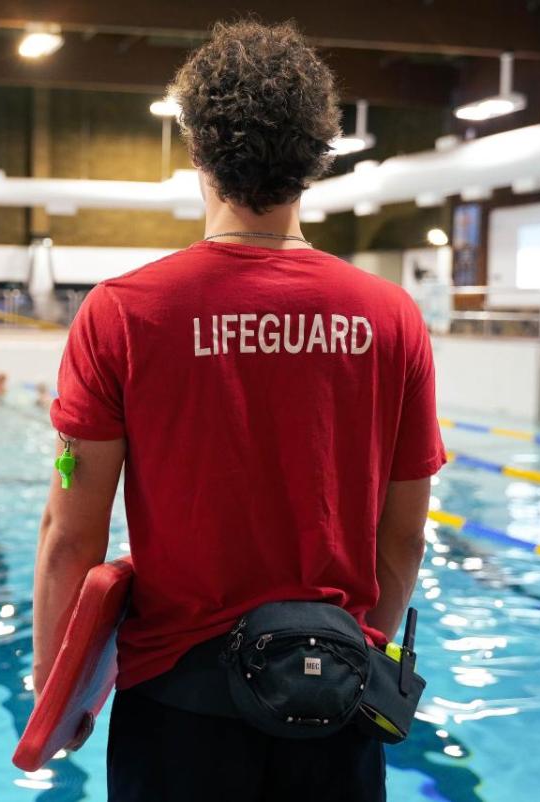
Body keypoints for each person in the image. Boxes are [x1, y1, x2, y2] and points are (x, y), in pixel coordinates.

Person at [31, 21, 445, 802]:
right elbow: (405, 540)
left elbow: (70, 537)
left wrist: (57, 693)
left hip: (178, 708)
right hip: (337, 705)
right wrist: (357, 647)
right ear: (319, 155)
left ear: (196, 151)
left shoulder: (123, 313)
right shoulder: (390, 318)